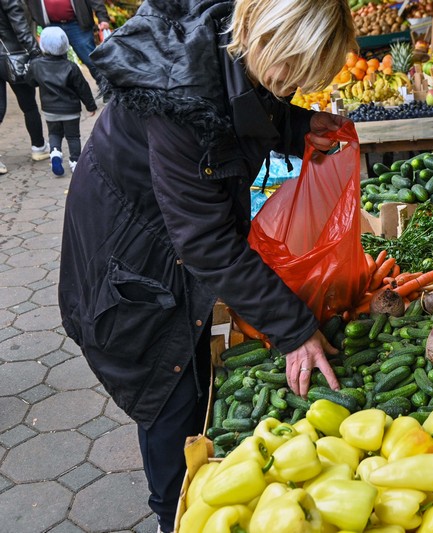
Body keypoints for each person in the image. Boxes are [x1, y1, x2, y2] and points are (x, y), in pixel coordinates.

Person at [57, 0, 356, 531]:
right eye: (293, 72)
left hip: (162, 242)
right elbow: (205, 242)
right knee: (167, 393)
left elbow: (248, 105)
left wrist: (298, 125)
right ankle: (171, 514)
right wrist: (294, 330)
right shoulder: (179, 98)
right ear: (263, 36)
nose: (292, 86)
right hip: (130, 266)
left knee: (192, 378)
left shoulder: (228, 49)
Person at [26, 26, 96, 176]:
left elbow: (31, 82)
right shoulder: (71, 67)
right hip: (70, 111)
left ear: (43, 45)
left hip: (50, 110)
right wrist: (90, 105)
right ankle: (75, 162)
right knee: (73, 136)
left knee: (54, 134)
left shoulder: (36, 65)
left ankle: (55, 153)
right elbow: (82, 88)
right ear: (66, 45)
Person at [0, 0, 49, 173]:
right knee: (28, 105)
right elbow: (19, 25)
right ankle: (39, 147)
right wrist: (35, 52)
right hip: (13, 56)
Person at [26, 0, 110, 84]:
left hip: (77, 24)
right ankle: (62, 94)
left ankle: (110, 90)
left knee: (92, 61)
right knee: (55, 66)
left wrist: (103, 17)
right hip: (50, 26)